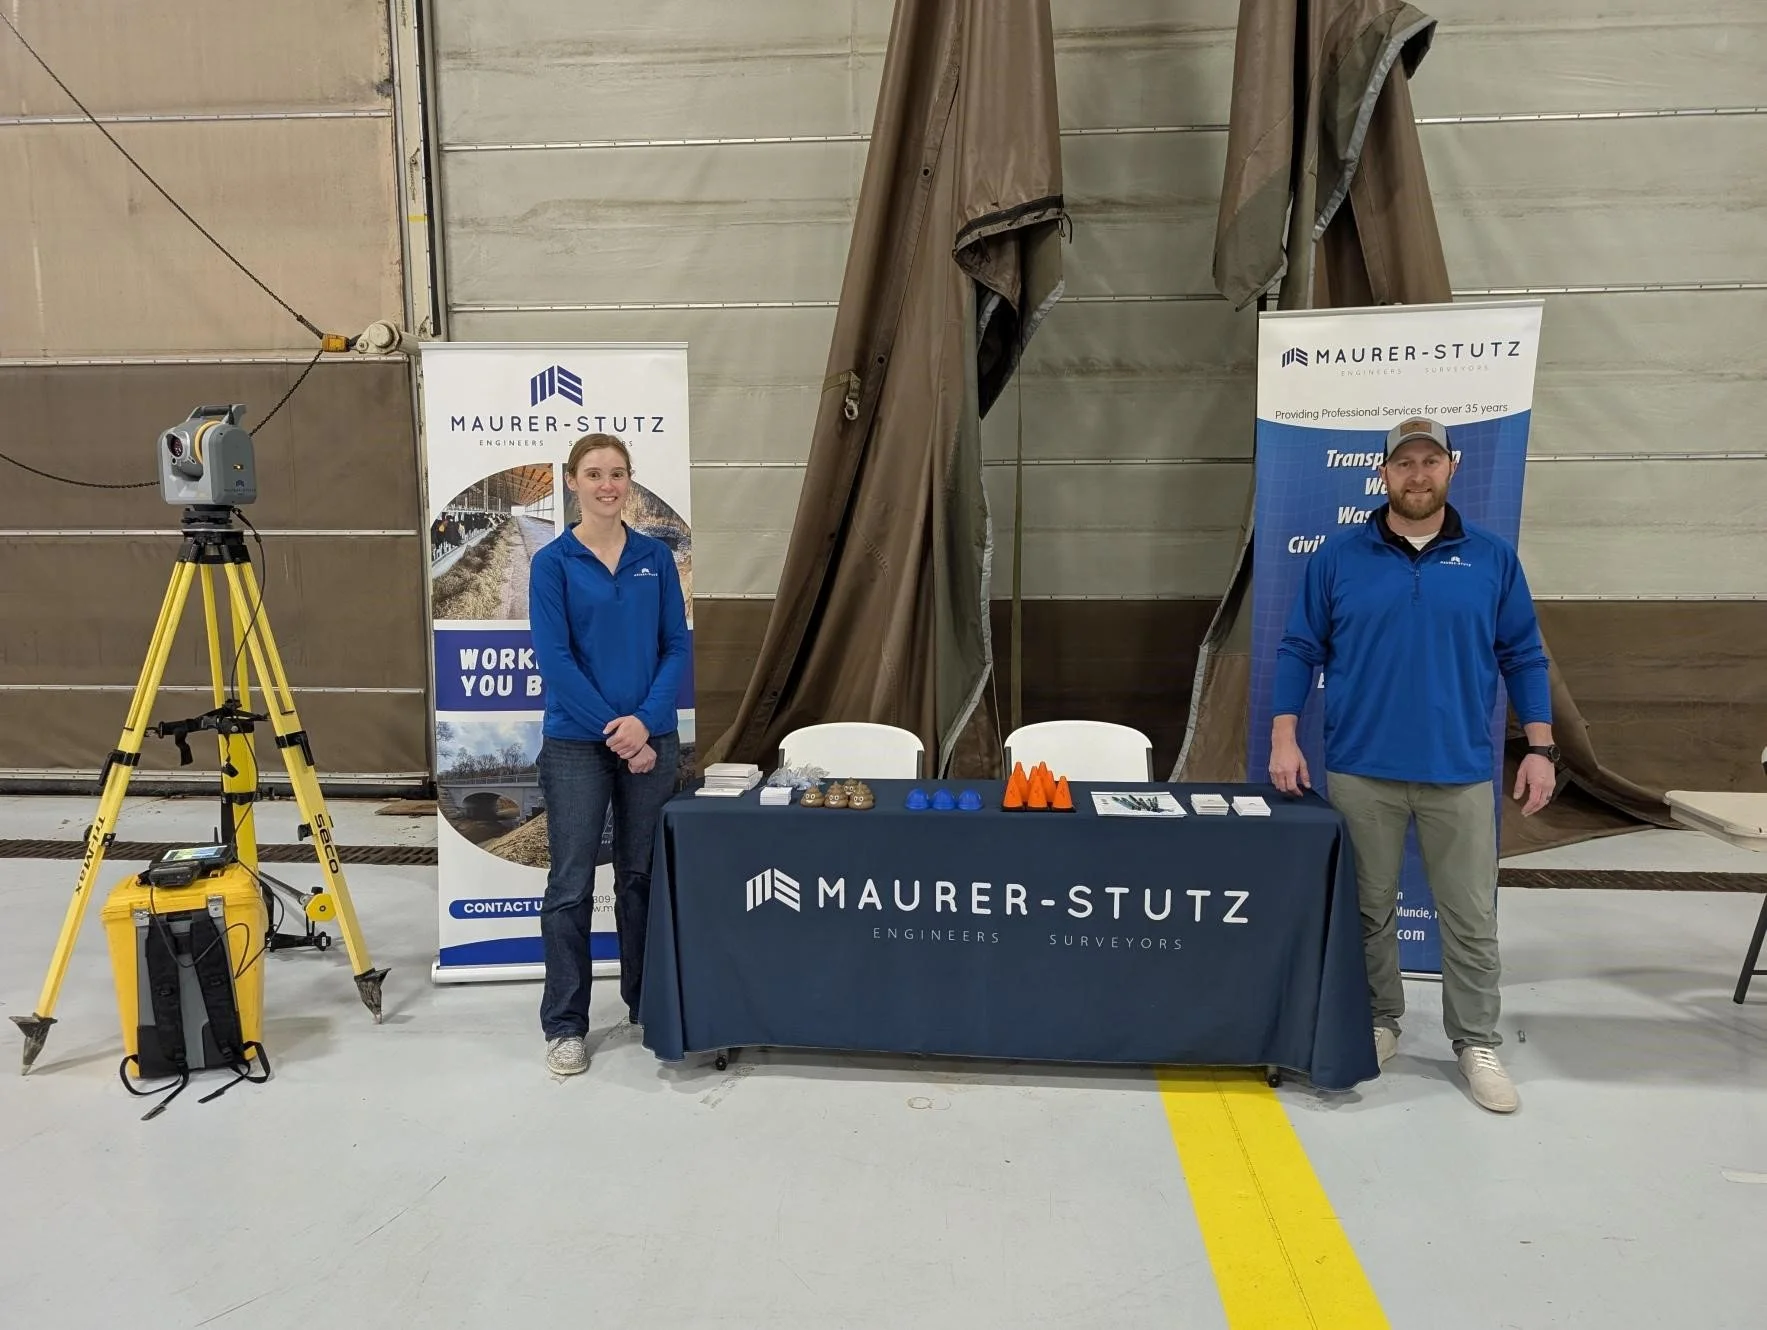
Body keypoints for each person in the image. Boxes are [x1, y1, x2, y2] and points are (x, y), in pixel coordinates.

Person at [1269, 416, 1558, 1114]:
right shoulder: (1338, 557)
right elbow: (1297, 648)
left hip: (1458, 770)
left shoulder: (1490, 558)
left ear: (1450, 469)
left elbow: (1522, 654)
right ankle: (1378, 1019)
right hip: (1361, 768)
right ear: (1383, 475)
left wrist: (1542, 748)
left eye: (1431, 461)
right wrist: (1284, 736)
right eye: (1404, 463)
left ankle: (1475, 1041)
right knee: (1368, 910)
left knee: (1466, 916)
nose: (1417, 474)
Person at [529, 432, 690, 1077]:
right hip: (577, 742)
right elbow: (555, 660)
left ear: (630, 482)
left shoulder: (655, 556)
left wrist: (646, 726)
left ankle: (645, 1002)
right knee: (570, 885)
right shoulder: (553, 563)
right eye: (593, 473)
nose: (606, 484)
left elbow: (675, 646)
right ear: (572, 481)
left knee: (641, 878)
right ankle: (565, 1025)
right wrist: (617, 732)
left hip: (652, 740)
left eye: (617, 473)